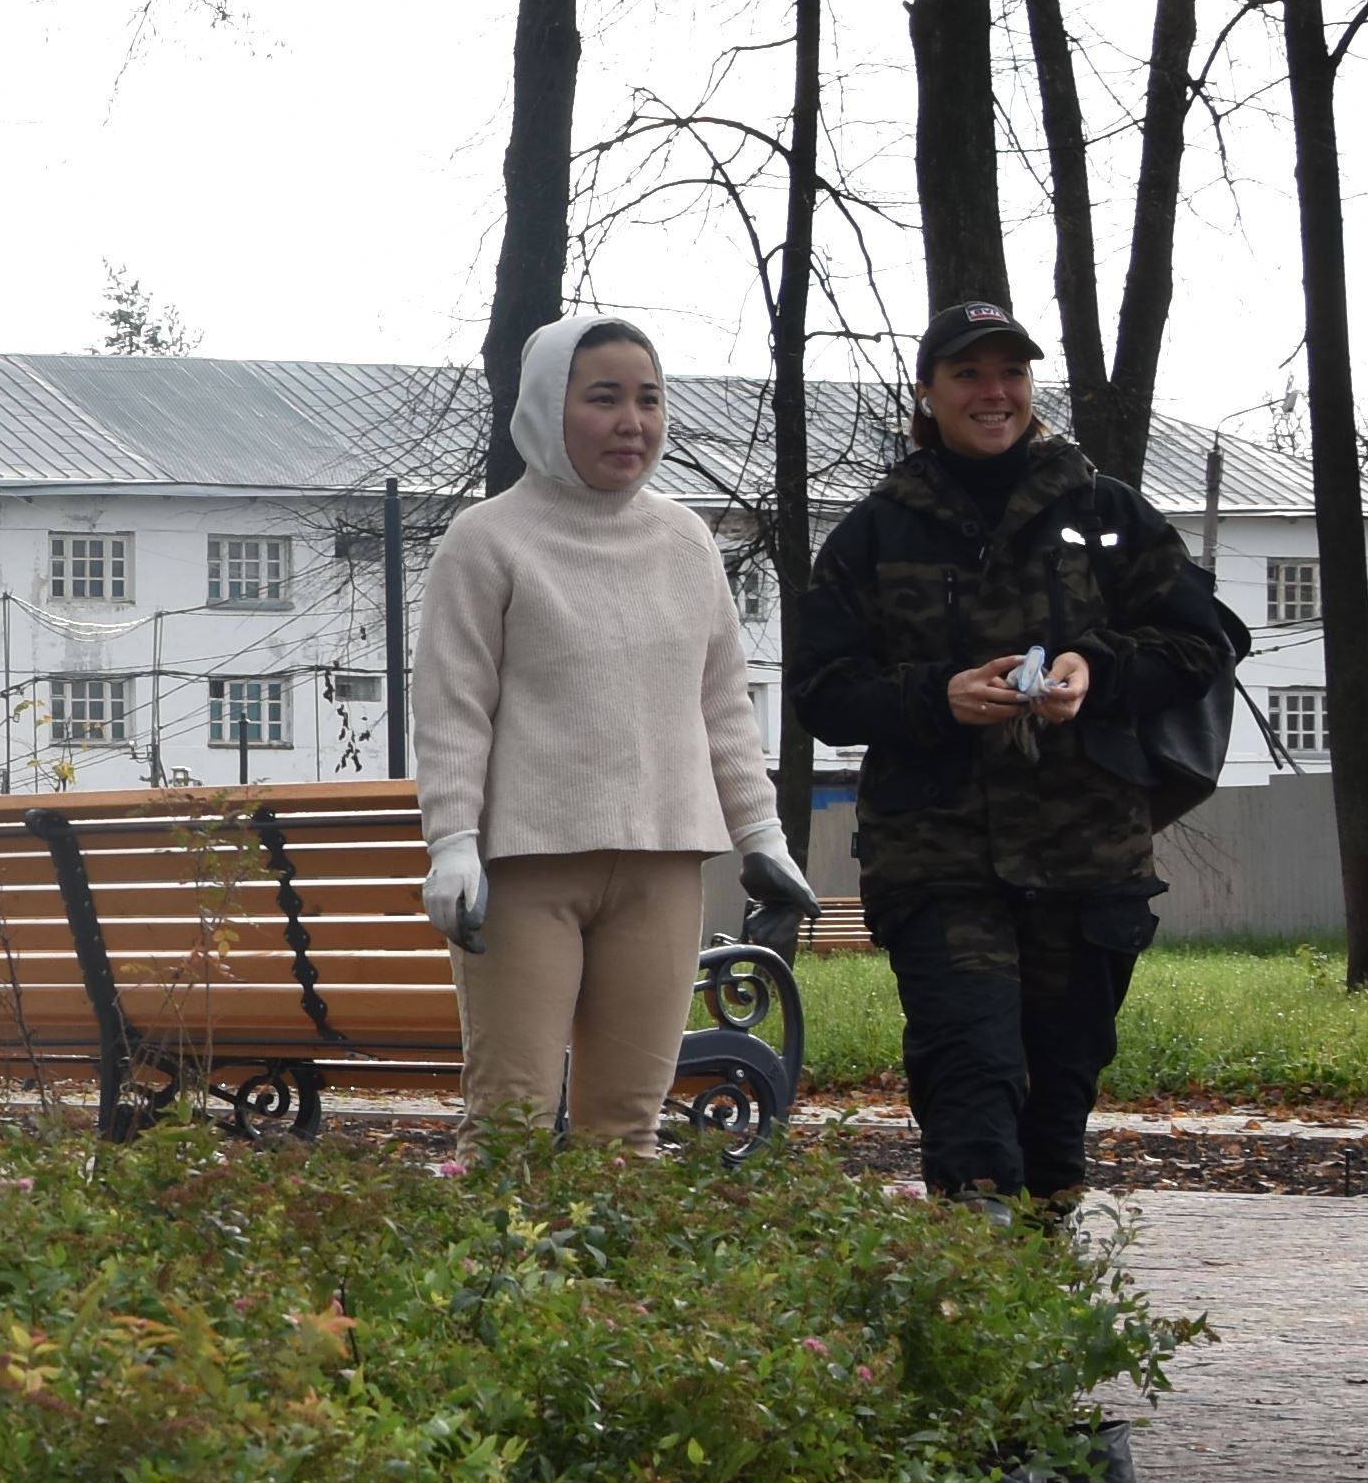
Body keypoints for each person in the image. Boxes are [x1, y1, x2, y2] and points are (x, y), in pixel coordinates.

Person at [792, 298, 1244, 1202]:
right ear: (929, 393)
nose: (994, 393)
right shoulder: (877, 531)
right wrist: (936, 695)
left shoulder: (1105, 514)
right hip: (937, 855)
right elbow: (820, 690)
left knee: (1059, 1096)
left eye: (1012, 373)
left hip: (1087, 858)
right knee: (970, 1072)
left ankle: (1039, 1304)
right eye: (968, 374)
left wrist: (1094, 667)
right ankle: (974, 1284)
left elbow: (1204, 642)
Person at [413, 307, 816, 1135]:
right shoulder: (486, 541)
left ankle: (613, 1270)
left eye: (649, 398)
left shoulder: (686, 541)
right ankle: (499, 1269)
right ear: (545, 405)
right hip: (528, 868)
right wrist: (452, 842)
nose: (632, 422)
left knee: (628, 1125)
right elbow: (454, 707)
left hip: (661, 865)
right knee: (511, 1118)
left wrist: (762, 838)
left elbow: (722, 704)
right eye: (603, 398)